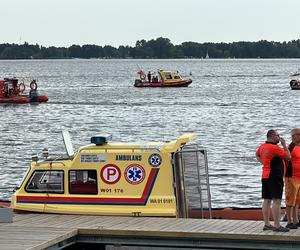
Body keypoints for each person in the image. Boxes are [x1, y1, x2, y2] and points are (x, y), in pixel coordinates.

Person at [256, 129, 291, 232]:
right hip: (274, 177)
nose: (279, 137)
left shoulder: (262, 146)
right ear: (272, 136)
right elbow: (288, 157)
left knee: (266, 200)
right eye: (277, 135)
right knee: (277, 201)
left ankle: (267, 224)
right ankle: (277, 225)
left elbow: (257, 155)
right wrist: (284, 145)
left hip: (265, 176)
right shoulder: (275, 148)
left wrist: (263, 162)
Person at [285, 128, 300, 229]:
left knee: (297, 200)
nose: (293, 136)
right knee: (290, 200)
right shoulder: (290, 147)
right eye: (293, 135)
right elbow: (285, 158)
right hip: (291, 177)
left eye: (296, 134)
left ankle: (296, 220)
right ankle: (289, 221)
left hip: (299, 177)